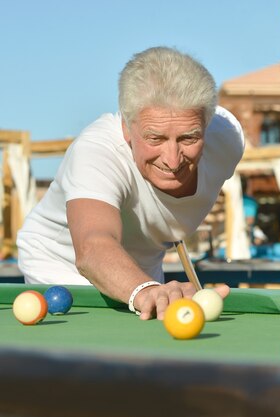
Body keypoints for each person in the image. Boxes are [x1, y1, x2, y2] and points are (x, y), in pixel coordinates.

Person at [17, 47, 245, 319]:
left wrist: (149, 288)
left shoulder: (227, 140)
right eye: (155, 139)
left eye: (188, 138)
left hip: (144, 270)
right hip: (61, 268)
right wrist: (145, 289)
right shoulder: (97, 151)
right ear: (126, 127)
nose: (172, 161)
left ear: (207, 126)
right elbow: (93, 245)